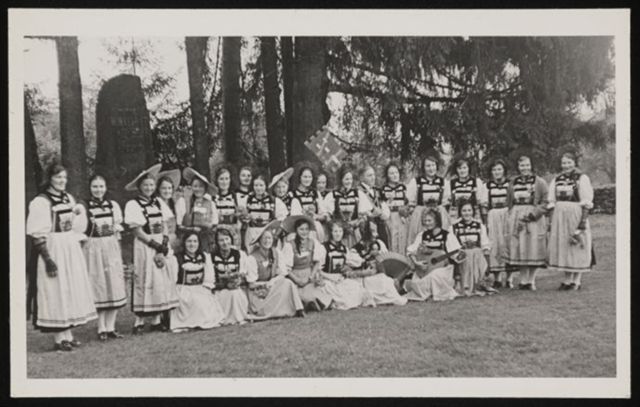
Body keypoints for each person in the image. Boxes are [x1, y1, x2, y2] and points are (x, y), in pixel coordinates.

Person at [26, 162, 97, 351]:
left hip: (69, 247)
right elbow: (37, 235)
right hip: (54, 247)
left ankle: (68, 335)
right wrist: (48, 259)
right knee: (56, 289)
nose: (62, 181)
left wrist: (79, 215)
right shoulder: (41, 202)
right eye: (58, 177)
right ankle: (59, 339)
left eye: (64, 177)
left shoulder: (68, 198)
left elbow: (75, 225)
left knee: (69, 288)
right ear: (49, 178)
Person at [124, 164, 179, 335]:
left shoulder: (158, 202)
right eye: (145, 185)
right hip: (145, 245)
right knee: (144, 278)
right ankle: (139, 321)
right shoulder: (133, 204)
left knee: (159, 280)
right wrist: (155, 245)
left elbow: (165, 224)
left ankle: (156, 320)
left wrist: (163, 244)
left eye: (151, 185)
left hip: (160, 244)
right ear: (140, 186)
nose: (149, 188)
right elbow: (137, 231)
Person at [82, 175, 127, 341]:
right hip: (94, 248)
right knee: (99, 284)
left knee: (114, 284)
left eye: (101, 186)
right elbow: (82, 230)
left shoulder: (113, 205)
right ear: (90, 188)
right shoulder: (85, 206)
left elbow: (117, 232)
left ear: (106, 188)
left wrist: (118, 250)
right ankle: (101, 327)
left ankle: (111, 327)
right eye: (95, 186)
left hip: (111, 247)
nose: (98, 190)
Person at [547, 152, 595, 290]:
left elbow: (586, 201)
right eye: (564, 163)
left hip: (575, 213)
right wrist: (551, 221)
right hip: (560, 216)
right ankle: (567, 280)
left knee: (577, 245)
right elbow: (551, 201)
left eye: (569, 162)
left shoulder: (582, 178)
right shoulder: (557, 179)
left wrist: (582, 222)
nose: (566, 165)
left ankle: (576, 281)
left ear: (574, 163)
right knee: (564, 246)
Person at [503, 155, 549, 291]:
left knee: (533, 247)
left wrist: (534, 214)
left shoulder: (539, 182)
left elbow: (546, 201)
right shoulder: (513, 182)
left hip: (533, 217)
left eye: (527, 165)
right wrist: (511, 215)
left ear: (531, 165)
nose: (525, 168)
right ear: (518, 167)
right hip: (517, 217)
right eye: (522, 165)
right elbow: (509, 201)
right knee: (520, 248)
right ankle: (523, 280)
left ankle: (531, 280)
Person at [245, 222, 305, 320]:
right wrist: (265, 284)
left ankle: (299, 309)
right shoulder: (252, 258)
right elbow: (251, 284)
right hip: (258, 291)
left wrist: (273, 281)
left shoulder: (276, 253)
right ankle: (268, 311)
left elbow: (283, 273)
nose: (267, 241)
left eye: (269, 238)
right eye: (264, 238)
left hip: (271, 286)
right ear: (259, 241)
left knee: (287, 282)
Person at [170, 232, 225, 332]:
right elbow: (173, 279)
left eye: (195, 241)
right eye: (189, 241)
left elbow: (209, 277)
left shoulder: (204, 256)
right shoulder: (177, 258)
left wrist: (207, 288)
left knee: (204, 301)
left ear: (199, 243)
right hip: (183, 289)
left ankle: (201, 321)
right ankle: (189, 322)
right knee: (195, 301)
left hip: (200, 288)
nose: (192, 244)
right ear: (184, 243)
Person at [404, 208, 461, 302]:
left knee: (435, 276)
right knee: (417, 281)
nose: (427, 223)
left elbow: (455, 255)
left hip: (443, 269)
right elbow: (410, 251)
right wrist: (416, 262)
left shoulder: (447, 235)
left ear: (436, 221)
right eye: (425, 221)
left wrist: (457, 257)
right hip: (425, 269)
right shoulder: (422, 235)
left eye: (429, 220)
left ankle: (435, 293)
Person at [281, 217, 336, 311]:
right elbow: (286, 269)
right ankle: (306, 302)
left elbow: (317, 262)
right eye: (301, 229)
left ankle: (313, 301)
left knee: (314, 292)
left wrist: (311, 277)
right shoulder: (289, 245)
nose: (304, 232)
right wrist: (298, 280)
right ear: (296, 230)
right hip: (295, 276)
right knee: (298, 295)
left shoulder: (313, 242)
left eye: (306, 229)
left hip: (309, 275)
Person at [351, 221, 408, 306]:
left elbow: (386, 260)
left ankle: (391, 297)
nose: (376, 234)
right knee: (382, 280)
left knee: (386, 280)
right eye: (373, 231)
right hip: (364, 278)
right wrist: (366, 267)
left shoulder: (379, 244)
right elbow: (354, 268)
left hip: (379, 275)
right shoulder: (355, 249)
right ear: (364, 232)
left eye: (376, 231)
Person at [319, 221, 374, 310]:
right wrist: (330, 276)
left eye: (340, 231)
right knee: (331, 290)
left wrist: (366, 262)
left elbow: (355, 261)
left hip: (340, 279)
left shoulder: (344, 249)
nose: (338, 234)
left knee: (354, 286)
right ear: (331, 233)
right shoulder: (324, 248)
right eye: (335, 231)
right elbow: (318, 269)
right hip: (327, 280)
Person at [210, 228, 254, 325]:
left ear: (231, 239)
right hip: (219, 290)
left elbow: (244, 275)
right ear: (217, 242)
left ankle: (238, 317)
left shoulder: (239, 254)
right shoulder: (211, 257)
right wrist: (224, 285)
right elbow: (211, 279)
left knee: (235, 294)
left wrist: (238, 281)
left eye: (227, 239)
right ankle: (223, 319)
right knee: (225, 295)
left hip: (236, 288)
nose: (225, 242)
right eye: (221, 240)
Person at [406, 155, 452, 246]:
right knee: (420, 238)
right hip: (421, 214)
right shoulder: (416, 182)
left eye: (433, 165)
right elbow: (411, 202)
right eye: (428, 166)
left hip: (439, 213)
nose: (431, 168)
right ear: (423, 168)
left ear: (436, 166)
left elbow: (446, 201)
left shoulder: (443, 182)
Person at [324, 166, 373, 248]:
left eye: (350, 179)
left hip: (355, 230)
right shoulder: (332, 195)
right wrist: (336, 225)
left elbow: (365, 214)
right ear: (341, 180)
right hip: (338, 231)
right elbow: (327, 215)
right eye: (346, 179)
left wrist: (356, 222)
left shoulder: (358, 194)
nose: (349, 181)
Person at [452, 202, 492, 297]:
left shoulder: (479, 226)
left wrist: (487, 261)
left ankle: (478, 284)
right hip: (462, 256)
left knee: (476, 253)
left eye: (469, 210)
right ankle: (463, 285)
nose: (467, 213)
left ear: (473, 211)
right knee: (466, 255)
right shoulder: (454, 227)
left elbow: (485, 244)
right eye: (464, 211)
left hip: (476, 256)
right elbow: (453, 245)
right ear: (460, 212)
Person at [484, 159, 512, 288]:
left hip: (507, 214)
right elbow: (484, 205)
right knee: (495, 245)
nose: (497, 172)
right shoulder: (487, 186)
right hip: (493, 215)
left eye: (499, 169)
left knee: (507, 244)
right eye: (494, 170)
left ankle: (509, 278)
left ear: (504, 170)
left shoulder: (510, 184)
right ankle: (497, 278)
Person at [244, 174, 288, 252]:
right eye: (256, 185)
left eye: (261, 185)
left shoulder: (274, 201)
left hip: (268, 234)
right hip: (252, 233)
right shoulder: (247, 199)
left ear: (266, 186)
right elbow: (242, 215)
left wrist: (275, 235)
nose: (258, 188)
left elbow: (282, 219)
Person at [181, 167, 219, 253]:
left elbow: (214, 222)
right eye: (195, 186)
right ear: (191, 187)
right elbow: (183, 223)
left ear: (205, 189)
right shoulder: (185, 201)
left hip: (205, 237)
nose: (198, 189)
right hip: (190, 237)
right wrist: (187, 202)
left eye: (201, 186)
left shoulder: (210, 203)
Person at [289, 165, 329, 243]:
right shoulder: (292, 194)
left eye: (309, 177)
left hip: (315, 229)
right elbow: (294, 217)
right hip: (300, 229)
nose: (307, 179)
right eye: (305, 177)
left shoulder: (315, 193)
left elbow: (324, 214)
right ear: (300, 177)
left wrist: (316, 216)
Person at [358, 165, 391, 248]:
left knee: (383, 249)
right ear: (362, 178)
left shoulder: (377, 190)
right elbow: (361, 211)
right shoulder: (358, 192)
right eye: (369, 175)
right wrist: (372, 214)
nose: (373, 178)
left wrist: (382, 214)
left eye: (373, 175)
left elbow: (385, 208)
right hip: (366, 228)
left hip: (380, 226)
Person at [447, 157, 488, 223]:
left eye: (464, 168)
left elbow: (481, 203)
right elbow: (448, 202)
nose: (462, 171)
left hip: (473, 214)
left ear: (468, 169)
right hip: (456, 215)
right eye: (459, 168)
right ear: (456, 170)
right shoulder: (451, 183)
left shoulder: (476, 182)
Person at [381, 163, 411, 255]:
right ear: (387, 175)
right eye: (391, 173)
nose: (395, 175)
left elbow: (407, 203)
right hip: (390, 216)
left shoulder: (403, 187)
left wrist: (404, 214)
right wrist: (389, 200)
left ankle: (403, 258)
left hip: (402, 216)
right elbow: (382, 204)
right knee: (392, 238)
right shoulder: (384, 189)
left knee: (403, 239)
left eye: (396, 172)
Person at [156, 169, 185, 254]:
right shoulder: (157, 204)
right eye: (163, 188)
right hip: (161, 240)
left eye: (169, 188)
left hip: (173, 239)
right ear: (158, 189)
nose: (167, 191)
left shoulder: (173, 203)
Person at [212, 166, 242, 249]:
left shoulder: (235, 197)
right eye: (221, 179)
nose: (224, 182)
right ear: (217, 181)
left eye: (226, 178)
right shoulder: (212, 197)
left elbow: (240, 216)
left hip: (233, 234)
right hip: (217, 233)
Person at [236, 165, 253, 249]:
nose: (246, 178)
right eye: (243, 175)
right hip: (238, 227)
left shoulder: (254, 194)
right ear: (239, 177)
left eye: (249, 175)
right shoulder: (234, 194)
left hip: (251, 228)